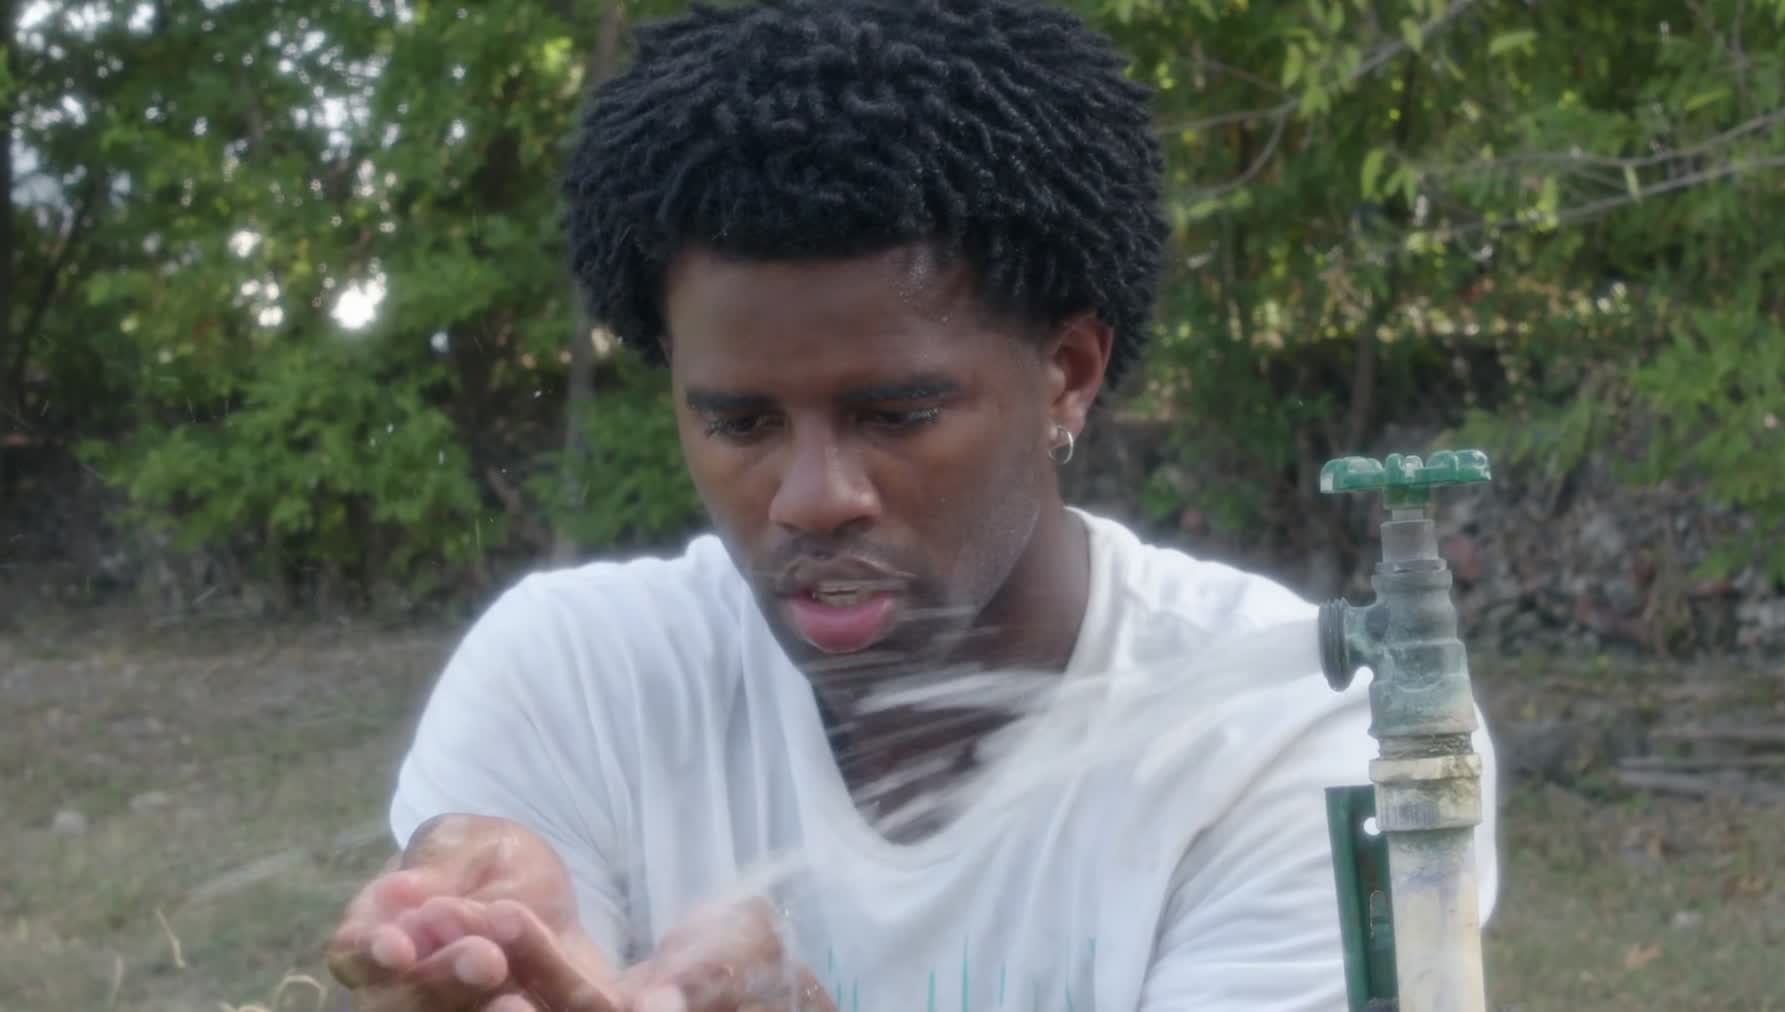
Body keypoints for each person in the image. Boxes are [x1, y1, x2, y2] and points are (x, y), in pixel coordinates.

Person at [324, 1, 1502, 1010]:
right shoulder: (575, 683)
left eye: (894, 414)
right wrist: (488, 946)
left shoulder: (1306, 740)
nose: (812, 499)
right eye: (742, 423)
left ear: (1067, 373)